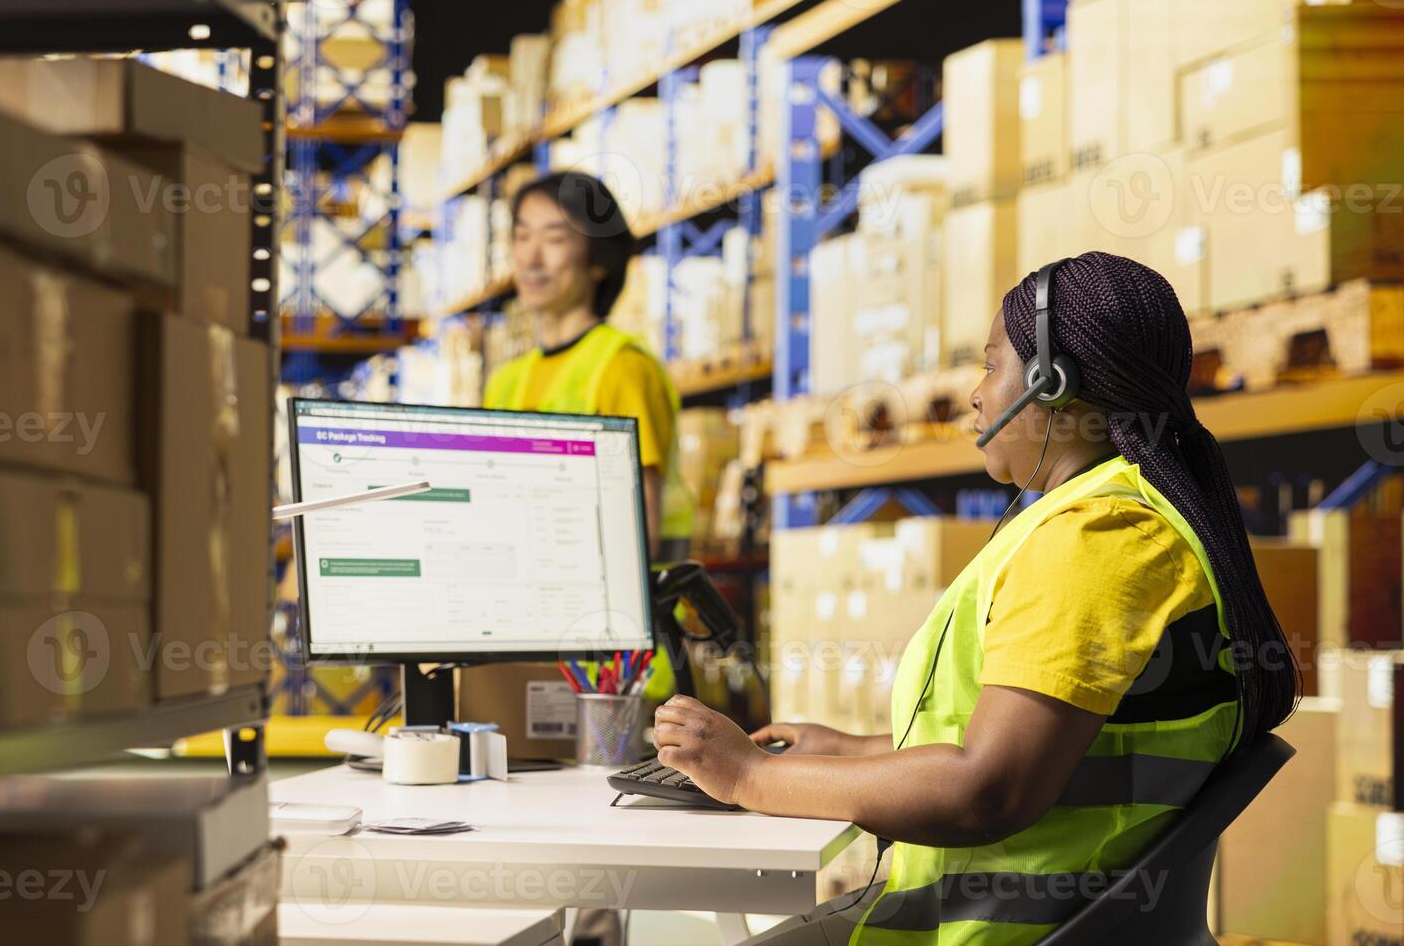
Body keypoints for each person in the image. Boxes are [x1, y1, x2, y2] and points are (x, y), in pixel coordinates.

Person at [651, 252, 1301, 945]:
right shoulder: (1100, 520)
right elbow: (1023, 739)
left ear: (1053, 381)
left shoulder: (1096, 540)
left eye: (992, 366)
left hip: (987, 932)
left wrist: (748, 776)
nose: (976, 393)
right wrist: (850, 750)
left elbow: (987, 788)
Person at [483, 170, 694, 563]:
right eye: (522, 236)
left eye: (555, 239)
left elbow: (638, 534)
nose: (531, 257)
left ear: (599, 262)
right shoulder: (504, 382)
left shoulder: (622, 367)